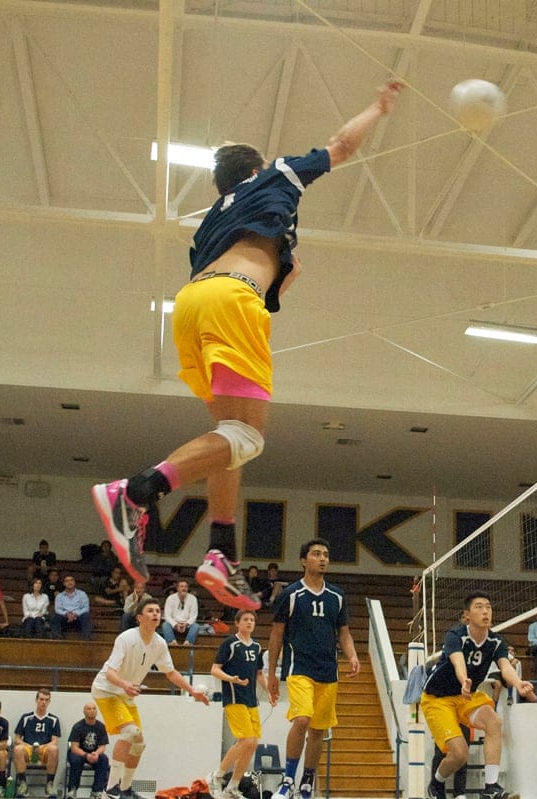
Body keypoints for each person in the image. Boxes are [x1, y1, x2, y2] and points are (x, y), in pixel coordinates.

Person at [91, 81, 404, 611]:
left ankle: (220, 551)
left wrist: (283, 267)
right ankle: (137, 491)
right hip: (234, 301)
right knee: (248, 438)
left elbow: (270, 285)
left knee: (230, 435)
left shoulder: (213, 220)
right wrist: (377, 107)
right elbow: (342, 146)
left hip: (191, 306)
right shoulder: (276, 175)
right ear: (257, 168)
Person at [267, 539, 361, 799]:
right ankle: (287, 781)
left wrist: (352, 655)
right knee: (302, 719)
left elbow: (344, 633)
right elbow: (276, 635)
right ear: (303, 560)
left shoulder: (337, 596)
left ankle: (307, 781)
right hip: (299, 668)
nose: (322, 559)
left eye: (326, 555)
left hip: (328, 670)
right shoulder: (290, 595)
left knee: (318, 730)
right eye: (317, 554)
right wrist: (272, 671)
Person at [91, 597, 211, 799]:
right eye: (150, 611)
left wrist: (192, 691)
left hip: (125, 695)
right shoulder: (126, 638)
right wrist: (126, 685)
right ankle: (111, 789)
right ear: (139, 617)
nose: (156, 613)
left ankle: (126, 789)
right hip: (107, 690)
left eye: (158, 610)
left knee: (139, 742)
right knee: (130, 732)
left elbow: (171, 673)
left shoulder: (160, 643)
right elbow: (110, 672)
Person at [420, 591, 534, 799]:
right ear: (467, 615)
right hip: (438, 699)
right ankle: (437, 783)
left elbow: (505, 666)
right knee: (460, 754)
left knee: (494, 722)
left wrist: (517, 683)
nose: (485, 611)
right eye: (479, 607)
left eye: (488, 607)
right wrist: (464, 679)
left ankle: (490, 787)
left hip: (466, 697)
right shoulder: (456, 635)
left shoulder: (496, 641)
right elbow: (457, 660)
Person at [207, 609, 263, 799]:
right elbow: (214, 670)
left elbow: (259, 673)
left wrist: (271, 690)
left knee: (253, 743)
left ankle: (233, 786)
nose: (249, 622)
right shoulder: (230, 643)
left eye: (252, 620)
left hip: (251, 701)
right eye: (245, 619)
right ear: (237, 623)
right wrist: (232, 678)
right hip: (234, 697)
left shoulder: (256, 646)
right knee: (246, 739)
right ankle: (216, 776)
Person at [12, 688, 61, 799]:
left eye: (46, 700)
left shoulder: (53, 719)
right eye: (41, 699)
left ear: (49, 702)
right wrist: (29, 746)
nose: (43, 702)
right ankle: (23, 784)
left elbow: (54, 741)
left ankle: (49, 785)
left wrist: (42, 747)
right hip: (28, 748)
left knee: (54, 749)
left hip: (44, 749)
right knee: (18, 749)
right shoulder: (26, 718)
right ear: (36, 700)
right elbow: (17, 739)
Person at [66, 702, 110, 799]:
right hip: (79, 753)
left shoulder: (101, 726)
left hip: (93, 753)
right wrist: (86, 755)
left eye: (94, 709)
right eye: (89, 709)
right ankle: (72, 790)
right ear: (84, 711)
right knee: (76, 760)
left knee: (104, 759)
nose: (92, 711)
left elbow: (103, 746)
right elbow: (74, 747)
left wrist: (97, 753)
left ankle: (97, 791)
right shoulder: (78, 726)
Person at [430, 725, 469, 799]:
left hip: (462, 721)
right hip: (443, 720)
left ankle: (459, 792)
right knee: (440, 755)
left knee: (462, 756)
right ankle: (435, 788)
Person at [51, 575, 94, 640]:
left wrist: (75, 614)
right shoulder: (59, 596)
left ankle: (86, 638)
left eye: (71, 580)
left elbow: (86, 608)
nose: (69, 582)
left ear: (74, 582)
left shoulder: (82, 594)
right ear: (64, 584)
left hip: (78, 618)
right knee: (56, 617)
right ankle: (57, 638)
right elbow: (57, 609)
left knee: (86, 616)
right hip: (65, 619)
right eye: (67, 581)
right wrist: (66, 614)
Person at [160, 579, 200, 646]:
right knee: (165, 625)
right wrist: (175, 624)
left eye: (185, 586)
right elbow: (167, 616)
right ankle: (172, 642)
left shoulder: (193, 599)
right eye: (181, 586)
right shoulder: (170, 598)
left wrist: (186, 624)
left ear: (188, 588)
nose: (184, 588)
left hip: (187, 625)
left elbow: (194, 616)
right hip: (173, 625)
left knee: (196, 626)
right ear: (177, 588)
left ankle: (188, 643)